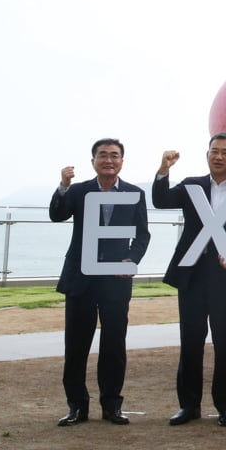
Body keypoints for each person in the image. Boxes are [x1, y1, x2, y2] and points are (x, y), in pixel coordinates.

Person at [152, 132, 226, 428]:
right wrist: (164, 170)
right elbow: (161, 200)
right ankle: (188, 406)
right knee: (190, 343)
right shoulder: (192, 186)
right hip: (192, 276)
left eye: (225, 151)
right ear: (207, 154)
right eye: (214, 150)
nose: (218, 156)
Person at [50, 138, 151, 426]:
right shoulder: (80, 190)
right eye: (103, 155)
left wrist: (131, 259)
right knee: (76, 346)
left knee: (114, 344)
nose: (109, 160)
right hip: (81, 278)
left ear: (122, 161)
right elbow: (57, 215)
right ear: (93, 160)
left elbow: (142, 236)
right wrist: (63, 186)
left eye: (114, 156)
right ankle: (77, 407)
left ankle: (112, 406)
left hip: (116, 281)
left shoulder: (134, 193)